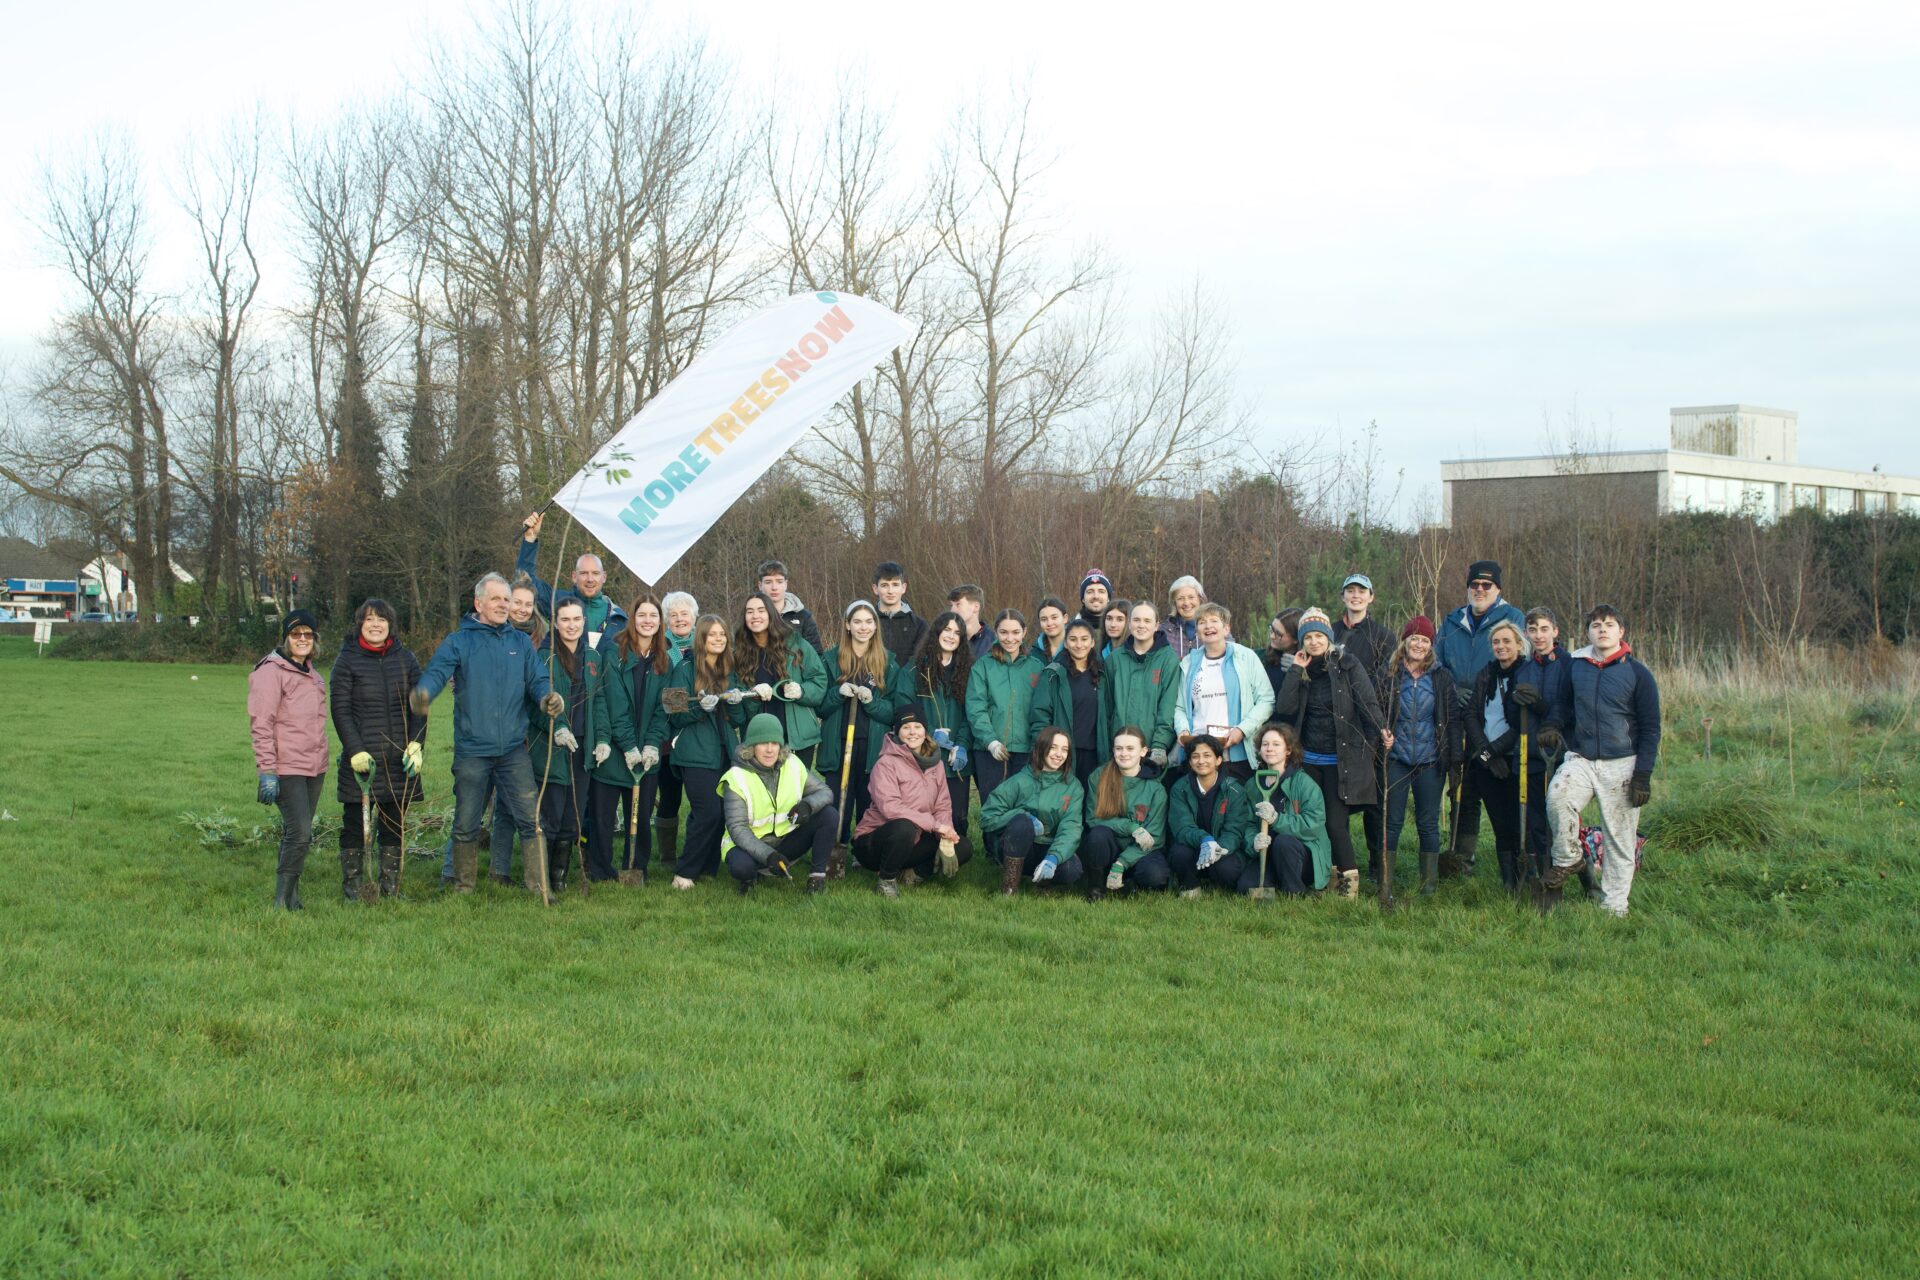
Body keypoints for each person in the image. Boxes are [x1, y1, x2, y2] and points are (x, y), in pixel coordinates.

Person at [411, 573, 561, 894]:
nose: (503, 605)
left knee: (530, 821)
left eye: (506, 600)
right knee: (466, 823)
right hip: (472, 750)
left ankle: (539, 887)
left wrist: (547, 696)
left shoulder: (519, 642)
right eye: (497, 599)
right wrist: (424, 692)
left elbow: (536, 679)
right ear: (479, 603)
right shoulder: (459, 642)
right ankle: (463, 886)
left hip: (512, 751)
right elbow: (437, 672)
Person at [1541, 605, 1662, 917]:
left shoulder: (1638, 674)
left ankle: (1614, 907)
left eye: (1609, 625)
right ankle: (1569, 858)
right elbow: (1564, 704)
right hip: (1582, 757)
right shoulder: (1576, 667)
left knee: (1620, 838)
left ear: (1621, 632)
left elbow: (1650, 728)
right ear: (1588, 632)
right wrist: (1553, 725)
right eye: (1596, 625)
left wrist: (1643, 775)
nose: (1602, 630)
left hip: (1623, 763)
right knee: (1557, 797)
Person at [1273, 611, 1388, 899]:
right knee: (1316, 822)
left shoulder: (1348, 665)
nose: (1314, 642)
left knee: (1336, 823)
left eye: (1319, 636)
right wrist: (1294, 671)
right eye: (1308, 637)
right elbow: (1285, 708)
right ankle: (1327, 878)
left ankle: (1349, 884)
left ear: (1329, 639)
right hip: (1308, 760)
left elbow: (1366, 700)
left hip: (1341, 760)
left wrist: (1381, 730)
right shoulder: (1301, 669)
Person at [329, 598, 426, 902]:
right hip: (363, 762)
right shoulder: (347, 661)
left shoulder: (405, 659)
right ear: (360, 624)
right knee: (355, 826)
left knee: (393, 825)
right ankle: (355, 890)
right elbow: (340, 709)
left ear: (390, 625)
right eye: (369, 619)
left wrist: (416, 743)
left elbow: (419, 705)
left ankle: (390, 888)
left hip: (398, 760)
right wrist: (354, 749)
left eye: (381, 620)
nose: (375, 625)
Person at [1436, 560, 1525, 876]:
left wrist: (1477, 692)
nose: (1480, 590)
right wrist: (1451, 686)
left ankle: (1515, 855)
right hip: (1456, 717)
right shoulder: (1452, 621)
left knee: (1503, 791)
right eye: (1475, 585)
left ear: (1498, 589)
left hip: (1494, 718)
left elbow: (1518, 661)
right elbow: (1437, 660)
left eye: (1487, 585)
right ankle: (1462, 858)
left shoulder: (1512, 619)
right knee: (1464, 787)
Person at [588, 592, 672, 887]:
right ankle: (599, 870)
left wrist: (651, 744)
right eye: (642, 615)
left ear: (660, 622)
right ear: (632, 619)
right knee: (602, 817)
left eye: (653, 616)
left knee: (642, 817)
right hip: (613, 748)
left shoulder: (667, 659)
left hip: (648, 755)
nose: (647, 621)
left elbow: (668, 709)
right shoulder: (614, 653)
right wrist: (627, 746)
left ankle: (636, 867)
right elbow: (614, 702)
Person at [248, 610, 330, 910]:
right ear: (286, 638)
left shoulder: (315, 676)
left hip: (315, 766)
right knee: (300, 831)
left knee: (301, 833)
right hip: (286, 767)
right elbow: (262, 723)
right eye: (296, 635)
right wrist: (267, 770)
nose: (303, 640)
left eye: (308, 635)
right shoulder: (270, 673)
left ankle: (293, 897)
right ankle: (281, 899)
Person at [817, 600, 907, 864]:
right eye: (857, 621)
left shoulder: (888, 662)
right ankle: (835, 846)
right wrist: (837, 693)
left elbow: (893, 712)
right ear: (847, 625)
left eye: (869, 622)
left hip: (872, 745)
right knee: (836, 800)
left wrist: (872, 701)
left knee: (869, 800)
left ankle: (863, 849)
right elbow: (820, 707)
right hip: (838, 741)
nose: (863, 627)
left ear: (875, 626)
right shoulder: (831, 659)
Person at [852, 707, 972, 896]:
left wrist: (945, 835)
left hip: (915, 839)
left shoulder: (937, 764)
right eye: (906, 727)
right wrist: (935, 826)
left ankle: (913, 875)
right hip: (875, 841)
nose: (912, 732)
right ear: (897, 732)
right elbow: (891, 808)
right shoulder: (885, 764)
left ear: (925, 731)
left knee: (963, 847)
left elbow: (942, 805)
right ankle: (886, 880)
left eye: (917, 726)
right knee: (904, 827)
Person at [719, 714, 839, 895]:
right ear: (751, 746)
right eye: (763, 743)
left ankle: (817, 878)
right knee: (741, 867)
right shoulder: (736, 777)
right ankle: (750, 877)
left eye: (774, 743)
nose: (769, 750)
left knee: (829, 814)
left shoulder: (792, 764)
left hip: (785, 840)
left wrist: (807, 805)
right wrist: (768, 856)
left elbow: (826, 792)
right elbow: (737, 829)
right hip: (750, 845)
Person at [1377, 616, 1455, 895]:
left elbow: (1451, 718)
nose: (1419, 644)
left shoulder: (1441, 676)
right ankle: (1385, 883)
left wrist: (1452, 756)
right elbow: (1377, 712)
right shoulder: (1388, 674)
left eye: (1425, 640)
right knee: (1392, 821)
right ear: (1404, 641)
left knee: (1427, 822)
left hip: (1430, 761)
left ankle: (1429, 885)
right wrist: (1382, 732)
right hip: (1396, 759)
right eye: (1414, 638)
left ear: (1430, 645)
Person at [529, 597, 602, 892]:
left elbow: (600, 704)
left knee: (573, 815)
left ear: (584, 622)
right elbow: (535, 703)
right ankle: (540, 878)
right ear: (555, 623)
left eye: (576, 619)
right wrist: (556, 727)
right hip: (552, 748)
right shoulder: (544, 658)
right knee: (551, 813)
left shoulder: (594, 659)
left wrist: (603, 739)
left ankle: (560, 878)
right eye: (565, 620)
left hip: (582, 748)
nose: (571, 625)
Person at [662, 614, 738, 888]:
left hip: (723, 751)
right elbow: (672, 710)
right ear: (701, 638)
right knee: (708, 811)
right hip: (694, 751)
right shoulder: (684, 668)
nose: (718, 639)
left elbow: (738, 718)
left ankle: (708, 867)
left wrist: (737, 700)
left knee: (720, 810)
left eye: (722, 635)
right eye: (712, 635)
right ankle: (684, 873)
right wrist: (697, 707)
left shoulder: (728, 669)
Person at [1515, 606, 1583, 891]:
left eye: (1544, 629)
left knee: (1564, 823)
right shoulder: (1524, 668)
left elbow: (1571, 707)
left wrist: (1541, 705)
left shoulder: (1570, 665)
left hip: (1563, 754)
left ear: (1555, 631)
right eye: (1533, 630)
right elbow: (1517, 714)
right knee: (1536, 822)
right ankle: (1545, 880)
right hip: (1531, 755)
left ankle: (1587, 880)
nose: (1538, 635)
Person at [1173, 602, 1274, 782]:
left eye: (1214, 621)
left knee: (1235, 807)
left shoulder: (1246, 657)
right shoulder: (1188, 662)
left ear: (1226, 628)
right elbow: (1180, 707)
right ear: (1197, 630)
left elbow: (1266, 700)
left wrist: (1242, 730)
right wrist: (1183, 731)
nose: (1208, 626)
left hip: (1235, 754)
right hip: (1199, 753)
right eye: (1202, 622)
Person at [1463, 618, 1528, 894]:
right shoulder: (1486, 674)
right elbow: (1471, 714)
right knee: (1499, 822)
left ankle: (1525, 875)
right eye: (1496, 642)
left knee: (1517, 821)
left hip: (1516, 758)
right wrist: (1486, 752)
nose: (1501, 646)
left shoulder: (1525, 673)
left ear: (1518, 644)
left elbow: (1522, 723)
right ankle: (1508, 883)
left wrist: (1496, 750)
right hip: (1486, 759)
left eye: (1506, 641)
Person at [729, 591, 829, 770]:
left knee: (796, 794)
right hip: (760, 740)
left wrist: (802, 691)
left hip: (797, 738)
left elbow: (820, 681)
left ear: (770, 614)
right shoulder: (739, 653)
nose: (755, 616)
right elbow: (740, 702)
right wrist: (753, 695)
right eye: (750, 611)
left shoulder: (795, 643)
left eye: (761, 610)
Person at [979, 725, 1085, 894]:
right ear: (1041, 749)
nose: (1059, 754)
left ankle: (1043, 881)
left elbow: (1071, 827)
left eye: (1064, 750)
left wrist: (1054, 857)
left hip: (1048, 847)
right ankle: (1010, 885)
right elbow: (987, 817)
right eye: (1053, 748)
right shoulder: (1020, 780)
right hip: (1017, 847)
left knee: (1072, 870)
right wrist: (1021, 815)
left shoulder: (1073, 787)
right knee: (1022, 822)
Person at [1080, 727, 1170, 900]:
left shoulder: (1156, 789)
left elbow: (1156, 836)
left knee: (1155, 875)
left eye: (1130, 748)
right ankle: (1096, 890)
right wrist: (1130, 827)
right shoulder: (1098, 777)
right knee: (1097, 835)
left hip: (1140, 851)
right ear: (1113, 750)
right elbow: (1093, 819)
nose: (1124, 753)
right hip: (1110, 846)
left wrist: (1122, 863)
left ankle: (1131, 881)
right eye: (1119, 748)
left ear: (1143, 751)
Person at [965, 609, 1045, 805]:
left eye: (1015, 632)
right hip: (990, 751)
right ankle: (992, 837)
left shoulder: (1036, 667)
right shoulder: (983, 666)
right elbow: (976, 707)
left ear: (1024, 632)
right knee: (993, 804)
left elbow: (1042, 710)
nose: (1010, 638)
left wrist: (1038, 744)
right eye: (1004, 632)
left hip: (1026, 750)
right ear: (996, 632)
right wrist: (990, 741)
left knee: (1022, 804)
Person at [912, 610, 976, 840]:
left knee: (957, 816)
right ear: (937, 632)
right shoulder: (916, 669)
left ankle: (952, 853)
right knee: (925, 810)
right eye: (947, 630)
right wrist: (927, 737)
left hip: (955, 762)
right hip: (924, 755)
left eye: (957, 633)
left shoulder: (969, 672)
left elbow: (972, 714)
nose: (951, 636)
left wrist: (961, 745)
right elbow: (905, 710)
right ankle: (921, 857)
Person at [517, 512, 626, 645]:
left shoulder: (619, 618)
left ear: (604, 577)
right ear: (574, 576)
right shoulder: (558, 602)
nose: (590, 579)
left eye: (595, 573)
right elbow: (526, 582)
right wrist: (529, 540)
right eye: (584, 573)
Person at [1247, 723, 1330, 896]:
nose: (1269, 749)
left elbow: (1313, 825)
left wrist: (1277, 820)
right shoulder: (1253, 785)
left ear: (1288, 750)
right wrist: (1252, 841)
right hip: (1268, 853)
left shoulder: (1304, 783)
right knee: (1245, 886)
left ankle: (1295, 892)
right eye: (1265, 744)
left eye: (1276, 744)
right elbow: (1246, 822)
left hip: (1301, 855)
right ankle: (1274, 881)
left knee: (1284, 842)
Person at [1166, 734, 1251, 897]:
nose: (1201, 761)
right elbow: (1182, 827)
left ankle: (1216, 883)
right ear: (1190, 762)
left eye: (1207, 756)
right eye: (1195, 756)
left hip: (1221, 848)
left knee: (1227, 869)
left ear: (1218, 760)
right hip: (1194, 846)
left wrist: (1219, 847)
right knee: (1179, 854)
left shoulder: (1234, 790)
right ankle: (1190, 886)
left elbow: (1235, 830)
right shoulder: (1180, 788)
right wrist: (1205, 839)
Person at [653, 589, 699, 870]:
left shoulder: (708, 642)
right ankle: (668, 854)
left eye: (684, 613)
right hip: (667, 736)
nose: (680, 619)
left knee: (699, 796)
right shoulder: (659, 649)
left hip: (697, 736)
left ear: (694, 616)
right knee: (669, 796)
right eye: (673, 614)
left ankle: (697, 848)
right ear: (666, 619)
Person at [1105, 601, 1180, 776]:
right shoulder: (1114, 660)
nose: (1141, 625)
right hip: (1119, 751)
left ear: (1156, 625)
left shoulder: (1168, 660)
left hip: (1150, 752)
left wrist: (1160, 746)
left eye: (1147, 621)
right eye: (1136, 620)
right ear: (1129, 624)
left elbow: (1168, 708)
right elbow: (1106, 708)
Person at [1029, 618, 1107, 784]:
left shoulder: (1102, 674)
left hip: (1095, 753)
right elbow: (1040, 716)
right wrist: (1044, 751)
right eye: (1073, 639)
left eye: (1084, 639)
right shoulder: (1053, 674)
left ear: (1092, 642)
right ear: (1065, 643)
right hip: (1062, 753)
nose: (1079, 645)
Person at [1332, 573, 1395, 677]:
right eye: (1350, 591)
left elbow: (1387, 677)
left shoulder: (1384, 636)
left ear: (1371, 597)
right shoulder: (1330, 631)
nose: (1356, 595)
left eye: (1362, 591)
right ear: (1343, 596)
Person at [756, 559, 823, 654]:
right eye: (768, 582)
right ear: (760, 585)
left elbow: (816, 655)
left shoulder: (804, 617)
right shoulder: (752, 617)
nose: (774, 587)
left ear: (786, 584)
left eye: (779, 582)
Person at [872, 561, 927, 662]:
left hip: (905, 678)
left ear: (903, 588)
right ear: (875, 589)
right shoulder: (866, 622)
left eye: (895, 585)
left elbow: (918, 662)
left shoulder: (919, 625)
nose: (890, 591)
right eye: (884, 585)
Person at [1261, 608, 1304, 704]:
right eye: (1271, 629)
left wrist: (1298, 672)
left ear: (1296, 639)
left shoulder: (1308, 665)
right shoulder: (1263, 657)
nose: (1272, 636)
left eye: (1279, 634)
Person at [1158, 575, 1206, 660]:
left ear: (1200, 599)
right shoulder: (1162, 632)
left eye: (1191, 597)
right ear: (1174, 602)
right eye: (1180, 598)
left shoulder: (1213, 629)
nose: (1186, 603)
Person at [947, 582, 995, 659]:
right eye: (951, 605)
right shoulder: (946, 639)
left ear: (976, 607)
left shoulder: (994, 643)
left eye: (958, 604)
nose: (952, 610)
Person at [1030, 596, 1069, 664]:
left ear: (1065, 618)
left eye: (1054, 617)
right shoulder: (1033, 654)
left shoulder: (1078, 648)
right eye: (1044, 619)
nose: (1049, 623)